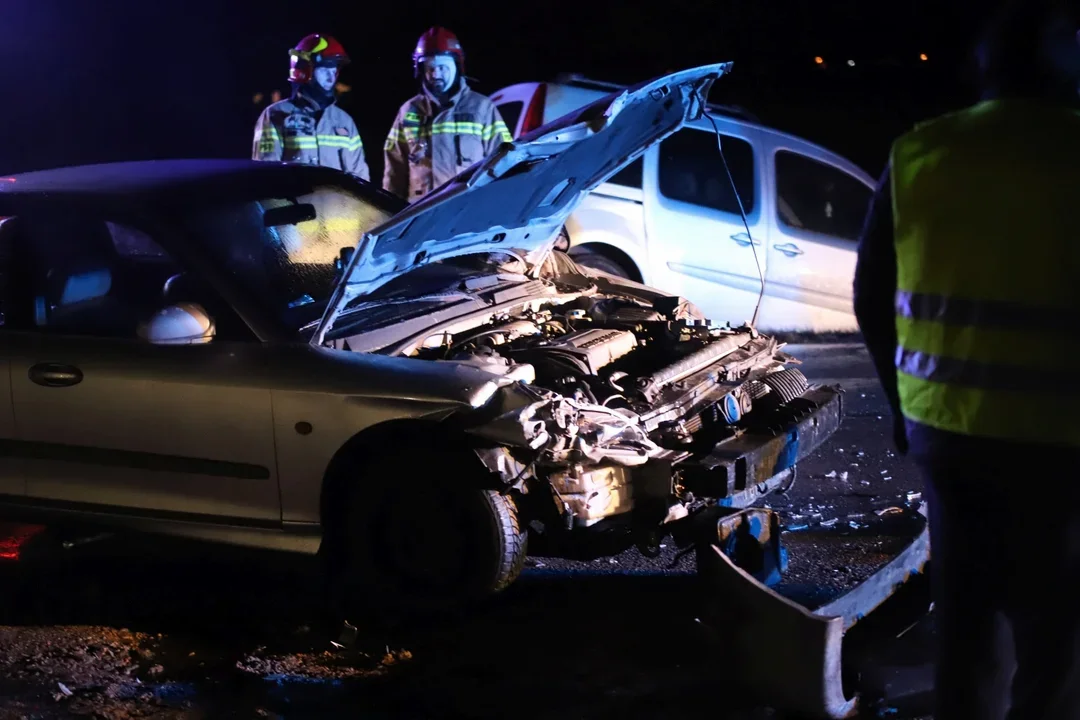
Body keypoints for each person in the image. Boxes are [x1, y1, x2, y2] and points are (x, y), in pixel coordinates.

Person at [853, 1, 1080, 717]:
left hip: (947, 436)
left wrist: (899, 405)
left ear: (984, 69)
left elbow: (870, 292)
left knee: (969, 624)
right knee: (1058, 642)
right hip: (1062, 444)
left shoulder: (919, 152)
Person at [383, 26, 512, 202]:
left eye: (443, 67)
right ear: (420, 70)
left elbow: (506, 162)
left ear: (457, 67)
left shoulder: (482, 108)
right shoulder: (408, 111)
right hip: (420, 214)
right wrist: (389, 211)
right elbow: (394, 171)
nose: (436, 74)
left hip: (468, 210)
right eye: (430, 68)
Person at [252, 34, 370, 180]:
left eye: (333, 71)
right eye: (325, 70)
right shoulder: (275, 115)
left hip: (337, 204)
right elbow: (265, 176)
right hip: (294, 203)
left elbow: (361, 177)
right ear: (304, 70)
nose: (331, 78)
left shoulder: (344, 121)